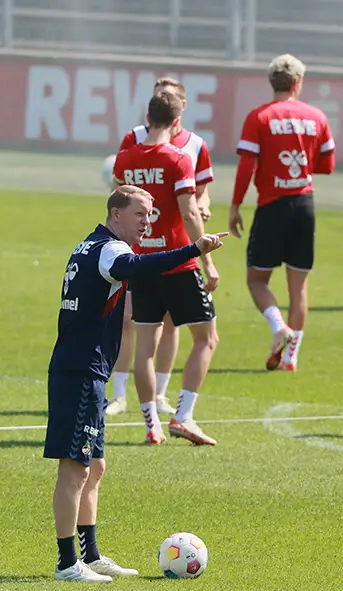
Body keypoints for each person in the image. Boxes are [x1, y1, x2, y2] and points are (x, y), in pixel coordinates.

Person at [46, 184, 226, 582]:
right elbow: (140, 268)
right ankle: (66, 564)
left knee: (94, 467)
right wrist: (194, 250)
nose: (149, 222)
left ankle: (89, 555)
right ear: (116, 214)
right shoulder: (111, 250)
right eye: (141, 214)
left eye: (150, 214)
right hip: (80, 370)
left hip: (82, 368)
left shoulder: (89, 246)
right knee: (75, 468)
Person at [113, 91, 219, 446]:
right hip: (178, 262)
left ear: (148, 116)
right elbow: (189, 212)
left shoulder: (126, 157)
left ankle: (150, 425)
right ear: (177, 122)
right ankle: (184, 416)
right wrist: (208, 260)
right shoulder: (177, 158)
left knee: (145, 346)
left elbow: (117, 208)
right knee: (206, 338)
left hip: (142, 264)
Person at [229, 54, 335, 372]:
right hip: (304, 205)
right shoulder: (316, 116)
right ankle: (291, 358)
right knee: (298, 286)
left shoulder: (259, 117)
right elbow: (327, 165)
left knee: (257, 280)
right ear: (298, 83)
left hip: (271, 205)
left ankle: (279, 328)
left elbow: (247, 164)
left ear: (271, 82)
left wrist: (235, 205)